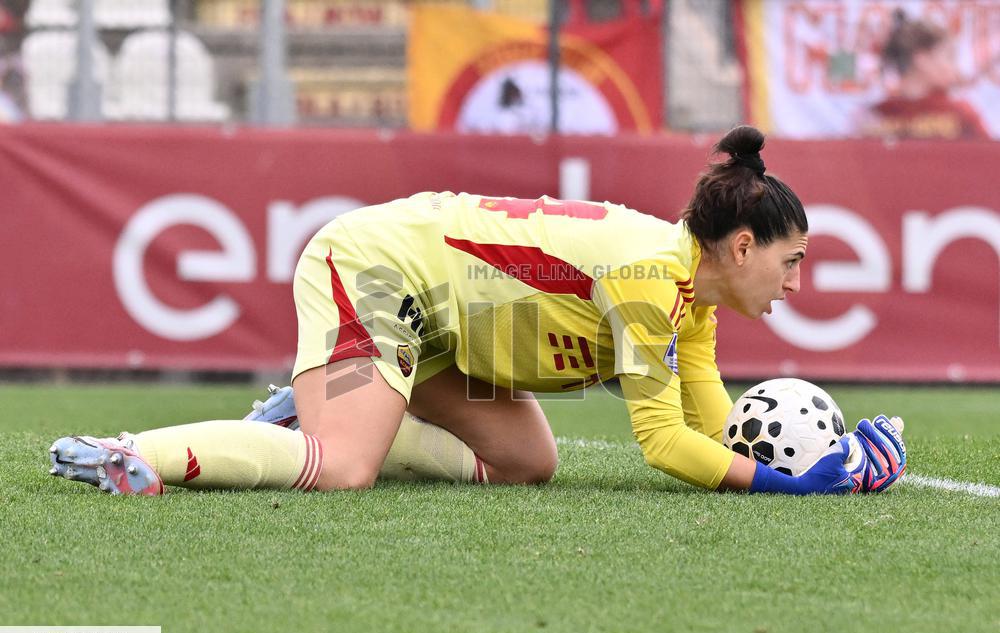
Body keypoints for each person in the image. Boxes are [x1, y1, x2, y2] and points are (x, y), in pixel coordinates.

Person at [48, 126, 906, 497]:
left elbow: (709, 417)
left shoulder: (693, 292)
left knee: (527, 461)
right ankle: (132, 454)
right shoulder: (654, 280)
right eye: (792, 261)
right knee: (343, 467)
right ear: (745, 246)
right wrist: (786, 488)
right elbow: (663, 444)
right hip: (383, 267)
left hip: (447, 329)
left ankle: (319, 406)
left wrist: (818, 465)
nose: (796, 283)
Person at [857, 9, 989, 140]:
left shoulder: (962, 114)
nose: (955, 67)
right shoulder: (877, 115)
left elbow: (990, 157)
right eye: (949, 57)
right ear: (922, 59)